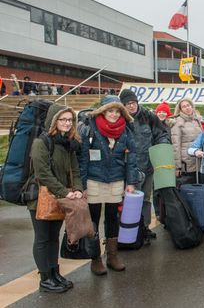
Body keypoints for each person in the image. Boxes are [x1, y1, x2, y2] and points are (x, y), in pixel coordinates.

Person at [79, 96, 138, 274]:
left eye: (117, 111)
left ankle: (112, 256)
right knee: (94, 220)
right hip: (94, 180)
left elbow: (131, 158)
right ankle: (95, 258)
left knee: (112, 218)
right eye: (110, 110)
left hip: (116, 179)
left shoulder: (126, 130)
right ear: (102, 111)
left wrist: (131, 181)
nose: (113, 114)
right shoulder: (90, 128)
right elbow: (82, 159)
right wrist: (82, 185)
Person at [29, 103, 83, 293]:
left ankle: (54, 273)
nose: (68, 123)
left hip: (60, 197)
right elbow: (42, 174)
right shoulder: (41, 143)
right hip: (41, 199)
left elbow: (74, 170)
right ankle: (45, 278)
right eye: (63, 119)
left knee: (54, 237)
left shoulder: (68, 143)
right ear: (54, 120)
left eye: (70, 120)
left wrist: (77, 188)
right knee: (43, 238)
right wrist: (65, 191)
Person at [119, 89, 171, 242]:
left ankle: (145, 227)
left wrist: (161, 146)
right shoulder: (120, 118)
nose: (131, 106)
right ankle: (130, 230)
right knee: (129, 201)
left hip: (147, 166)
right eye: (128, 104)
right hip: (127, 168)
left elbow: (161, 134)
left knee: (146, 199)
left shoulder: (148, 116)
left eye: (133, 103)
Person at [171, 98, 204, 179]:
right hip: (186, 164)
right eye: (184, 106)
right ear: (180, 110)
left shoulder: (197, 120)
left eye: (188, 105)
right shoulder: (177, 122)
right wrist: (178, 166)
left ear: (192, 106)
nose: (187, 108)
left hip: (199, 161)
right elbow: (175, 146)